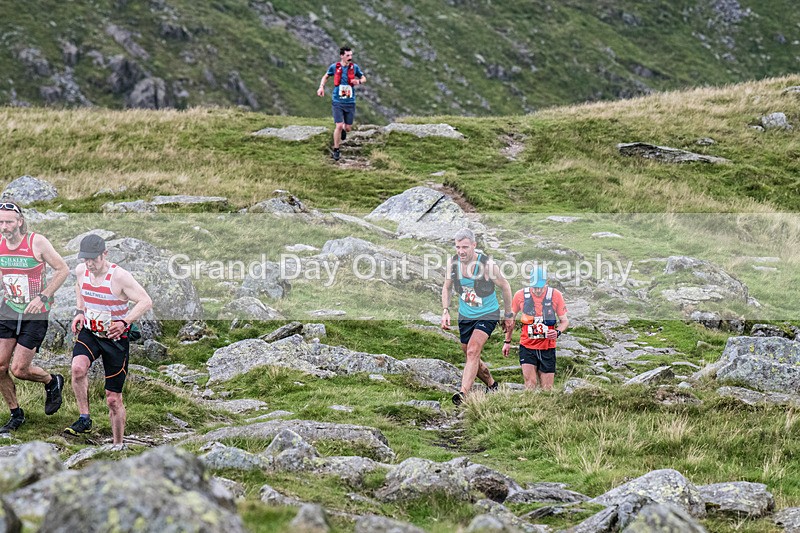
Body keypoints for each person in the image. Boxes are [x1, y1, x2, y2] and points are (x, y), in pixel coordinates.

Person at [65, 234, 152, 447]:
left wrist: (125, 321)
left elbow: (145, 301)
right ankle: (84, 418)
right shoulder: (81, 270)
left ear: (105, 254)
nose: (89, 263)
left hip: (115, 338)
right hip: (91, 333)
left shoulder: (120, 277)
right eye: (85, 259)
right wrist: (79, 311)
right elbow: (79, 286)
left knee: (113, 399)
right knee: (77, 368)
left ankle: (117, 445)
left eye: (93, 259)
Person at [0, 201, 69, 433]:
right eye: (0, 222)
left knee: (19, 369)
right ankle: (16, 414)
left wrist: (44, 295)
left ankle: (51, 381)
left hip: (35, 313)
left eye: (8, 221)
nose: (4, 226)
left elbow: (63, 269)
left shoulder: (36, 242)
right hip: (8, 309)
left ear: (20, 222)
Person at [441, 228, 514, 405]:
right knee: (470, 355)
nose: (461, 251)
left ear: (474, 245)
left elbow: (505, 286)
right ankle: (492, 384)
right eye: (458, 247)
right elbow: (447, 287)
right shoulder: (453, 263)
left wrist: (508, 314)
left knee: (473, 351)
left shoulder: (487, 265)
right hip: (465, 315)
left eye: (465, 247)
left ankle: (463, 394)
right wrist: (445, 310)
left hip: (488, 313)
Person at [503, 266, 569, 391]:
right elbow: (510, 321)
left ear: (547, 283)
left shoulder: (556, 295)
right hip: (527, 347)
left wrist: (557, 332)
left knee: (547, 389)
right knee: (530, 384)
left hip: (547, 348)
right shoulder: (520, 295)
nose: (537, 290)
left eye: (540, 287)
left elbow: (564, 321)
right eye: (535, 287)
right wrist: (507, 342)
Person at [316, 46, 366, 162]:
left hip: (350, 101)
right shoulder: (335, 67)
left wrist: (358, 81)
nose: (350, 58)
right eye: (348, 55)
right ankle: (336, 149)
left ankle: (344, 128)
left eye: (351, 55)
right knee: (338, 125)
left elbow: (364, 78)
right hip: (337, 101)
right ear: (342, 56)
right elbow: (326, 76)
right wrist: (321, 87)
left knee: (348, 128)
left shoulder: (355, 68)